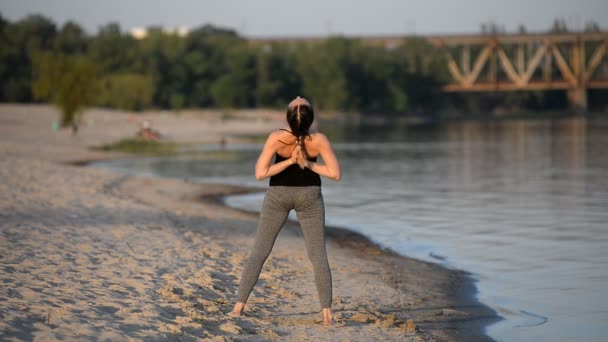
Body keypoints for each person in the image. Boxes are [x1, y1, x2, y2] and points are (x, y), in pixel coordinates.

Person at [232, 96, 341, 325]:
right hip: (309, 197)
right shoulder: (319, 139)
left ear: (288, 118)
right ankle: (327, 314)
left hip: (277, 196)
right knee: (318, 256)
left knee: (259, 252)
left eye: (298, 102)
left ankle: (238, 308)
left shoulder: (276, 137)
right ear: (310, 119)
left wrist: (289, 161)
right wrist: (305, 163)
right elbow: (334, 174)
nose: (299, 97)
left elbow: (260, 173)